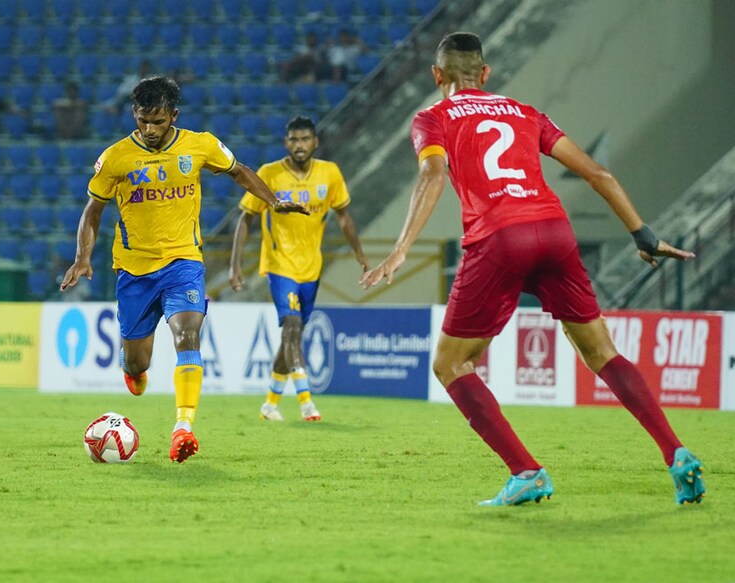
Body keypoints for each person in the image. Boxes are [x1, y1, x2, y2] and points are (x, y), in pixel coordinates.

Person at [360, 32, 705, 506]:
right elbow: (598, 174)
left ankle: (526, 471)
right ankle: (677, 452)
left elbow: (433, 173)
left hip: (500, 237)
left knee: (450, 363)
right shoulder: (525, 113)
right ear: (486, 74)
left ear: (437, 76)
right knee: (603, 352)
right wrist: (641, 233)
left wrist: (401, 249)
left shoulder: (431, 117)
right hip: (554, 230)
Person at [60, 76, 308, 463]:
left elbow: (239, 170)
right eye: (143, 120)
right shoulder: (116, 158)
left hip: (183, 262)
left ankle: (183, 428)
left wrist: (273, 201)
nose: (150, 129)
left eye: (158, 121)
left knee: (188, 334)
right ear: (134, 115)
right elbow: (93, 210)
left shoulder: (201, 144)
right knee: (138, 363)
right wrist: (82, 257)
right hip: (135, 270)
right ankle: (134, 371)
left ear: (174, 115)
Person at [229, 116, 368, 422]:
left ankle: (269, 403)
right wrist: (236, 264)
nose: (299, 145)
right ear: (286, 143)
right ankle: (306, 401)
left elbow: (343, 216)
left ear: (315, 142)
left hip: (312, 268)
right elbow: (246, 217)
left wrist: (359, 253)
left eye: (305, 139)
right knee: (292, 327)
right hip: (279, 265)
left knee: (292, 336)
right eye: (293, 139)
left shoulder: (329, 173)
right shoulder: (269, 174)